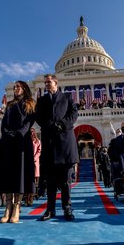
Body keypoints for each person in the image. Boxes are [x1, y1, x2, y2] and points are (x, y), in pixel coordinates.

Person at [35, 74, 79, 221]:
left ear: (56, 83)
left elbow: (73, 114)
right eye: (45, 82)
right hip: (49, 143)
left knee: (66, 181)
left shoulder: (67, 97)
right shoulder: (41, 100)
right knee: (51, 181)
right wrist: (49, 126)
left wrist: (61, 124)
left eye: (49, 82)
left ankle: (67, 208)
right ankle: (50, 209)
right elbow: (39, 117)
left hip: (65, 142)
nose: (46, 84)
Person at [0, 81, 36, 223]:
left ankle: (17, 207)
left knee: (19, 174)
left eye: (18, 87)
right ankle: (8, 207)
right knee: (8, 174)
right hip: (8, 142)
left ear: (24, 88)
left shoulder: (30, 103)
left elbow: (29, 122)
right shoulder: (10, 105)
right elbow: (4, 122)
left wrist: (19, 134)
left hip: (22, 142)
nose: (15, 89)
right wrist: (6, 133)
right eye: (14, 87)